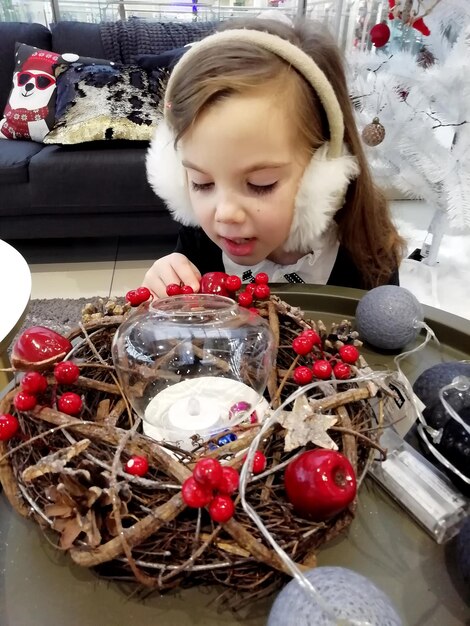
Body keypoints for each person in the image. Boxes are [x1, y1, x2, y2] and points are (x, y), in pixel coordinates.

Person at [143, 17, 404, 297]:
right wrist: (169, 277)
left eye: (261, 184)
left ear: (323, 174)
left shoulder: (368, 256)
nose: (225, 214)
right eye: (201, 183)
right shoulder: (199, 242)